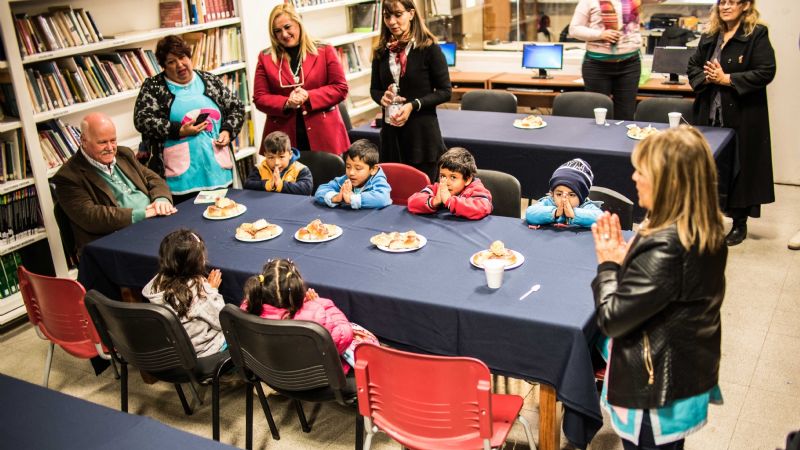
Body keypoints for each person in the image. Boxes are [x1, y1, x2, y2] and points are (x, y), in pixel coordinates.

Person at [591, 126, 727, 450]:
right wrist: (632, 264)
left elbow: (611, 318)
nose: (634, 177)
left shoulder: (667, 248)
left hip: (653, 392)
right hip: (682, 375)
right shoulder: (701, 228)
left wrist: (609, 265)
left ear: (671, 183)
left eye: (642, 171)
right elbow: (665, 290)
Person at [686, 0, 776, 246]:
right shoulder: (710, 34)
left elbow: (766, 70)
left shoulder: (756, 33)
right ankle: (707, 218)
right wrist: (707, 76)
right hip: (709, 111)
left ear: (746, 5)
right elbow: (693, 65)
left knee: (741, 167)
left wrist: (727, 79)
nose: (725, 7)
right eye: (722, 2)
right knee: (709, 166)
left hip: (742, 113)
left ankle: (739, 222)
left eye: (732, 2)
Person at [134, 35, 244, 205]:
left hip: (218, 172)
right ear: (163, 66)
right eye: (171, 62)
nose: (180, 65)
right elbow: (142, 120)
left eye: (182, 57)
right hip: (178, 180)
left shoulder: (210, 80)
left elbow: (236, 108)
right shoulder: (154, 87)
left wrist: (227, 131)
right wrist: (178, 130)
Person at [52, 113, 176, 256]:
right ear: (84, 141)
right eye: (102, 142)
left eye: (113, 140)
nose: (110, 148)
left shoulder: (124, 154)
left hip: (152, 223)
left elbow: (154, 179)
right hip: (114, 241)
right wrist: (143, 214)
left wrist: (161, 200)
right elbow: (91, 216)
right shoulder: (68, 177)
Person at [240, 259, 378, 369]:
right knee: (365, 338)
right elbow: (344, 335)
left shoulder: (247, 309)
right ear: (297, 289)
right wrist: (321, 304)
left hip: (273, 372)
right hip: (315, 380)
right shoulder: (315, 315)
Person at [370, 0, 452, 181]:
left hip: (422, 137)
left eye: (398, 15)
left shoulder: (429, 48)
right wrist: (382, 98)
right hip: (391, 136)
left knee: (423, 195)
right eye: (386, 16)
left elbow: (445, 91)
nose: (392, 21)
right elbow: (374, 89)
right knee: (394, 193)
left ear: (411, 14)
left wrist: (413, 105)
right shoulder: (381, 51)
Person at [252, 4, 350, 155]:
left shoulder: (324, 50)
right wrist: (286, 103)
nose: (284, 34)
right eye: (277, 31)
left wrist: (309, 96)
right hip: (283, 139)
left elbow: (340, 88)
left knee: (327, 176)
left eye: (287, 27)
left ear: (298, 24)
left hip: (324, 135)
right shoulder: (265, 58)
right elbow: (260, 98)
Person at [569, 0, 665, 120]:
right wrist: (600, 34)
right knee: (599, 114)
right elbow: (574, 29)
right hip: (597, 66)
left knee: (626, 115)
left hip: (630, 64)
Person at [142, 229, 226, 357]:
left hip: (174, 352)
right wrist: (211, 290)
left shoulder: (154, 285)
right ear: (199, 260)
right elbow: (222, 322)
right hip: (204, 352)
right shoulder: (200, 291)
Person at [407, 147, 492, 220]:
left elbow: (483, 208)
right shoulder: (438, 188)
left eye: (453, 177)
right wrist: (434, 201)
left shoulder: (476, 189)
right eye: (443, 176)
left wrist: (449, 201)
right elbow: (412, 202)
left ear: (467, 180)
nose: (446, 182)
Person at [314, 139, 391, 209]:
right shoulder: (346, 179)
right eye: (348, 167)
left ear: (373, 169)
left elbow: (383, 198)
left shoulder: (377, 180)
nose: (351, 173)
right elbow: (320, 191)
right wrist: (336, 197)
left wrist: (352, 198)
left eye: (358, 168)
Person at [526, 158, 603, 227]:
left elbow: (601, 219)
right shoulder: (549, 202)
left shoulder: (585, 206)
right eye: (559, 194)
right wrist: (554, 213)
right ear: (552, 194)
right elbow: (530, 213)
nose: (564, 199)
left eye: (572, 195)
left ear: (582, 197)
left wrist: (574, 214)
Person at [244, 130, 313, 195]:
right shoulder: (259, 168)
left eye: (281, 157)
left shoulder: (301, 169)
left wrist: (281, 185)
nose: (276, 162)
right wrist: (268, 184)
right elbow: (247, 185)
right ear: (265, 155)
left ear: (290, 154)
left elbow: (306, 189)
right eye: (271, 157)